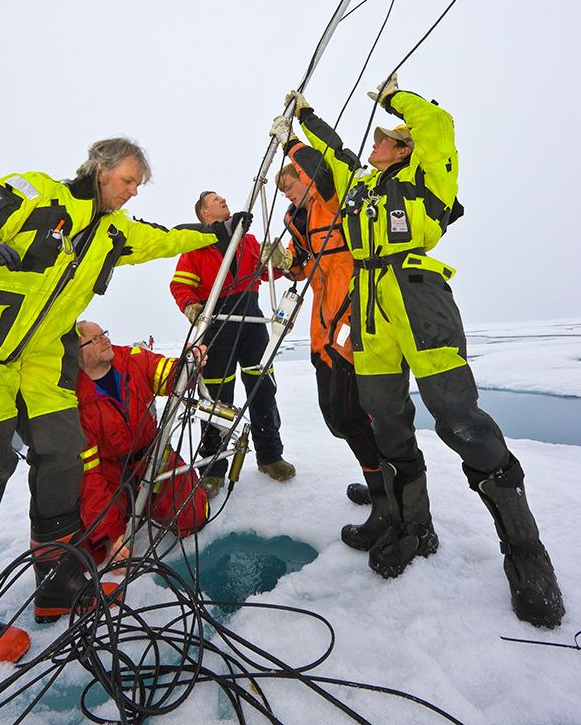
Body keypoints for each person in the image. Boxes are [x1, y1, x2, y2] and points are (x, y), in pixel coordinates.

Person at [0, 137, 245, 666]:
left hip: (45, 357)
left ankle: (58, 583)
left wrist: (216, 232)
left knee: (63, 456)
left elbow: (166, 239)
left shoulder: (116, 231)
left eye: (137, 185)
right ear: (100, 168)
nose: (131, 191)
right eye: (127, 180)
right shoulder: (39, 191)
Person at [282, 78, 564, 629]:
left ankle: (527, 554)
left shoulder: (424, 174)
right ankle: (414, 526)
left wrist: (394, 97)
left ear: (403, 147)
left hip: (415, 291)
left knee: (456, 417)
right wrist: (304, 118)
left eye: (384, 139)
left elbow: (439, 124)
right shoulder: (360, 184)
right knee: (384, 416)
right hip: (366, 301)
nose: (373, 146)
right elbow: (329, 158)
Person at [266, 120, 388, 549]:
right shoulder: (300, 219)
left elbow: (319, 169)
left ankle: (387, 499)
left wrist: (290, 140)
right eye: (283, 190)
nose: (288, 193)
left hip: (349, 317)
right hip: (322, 324)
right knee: (335, 416)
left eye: (291, 185)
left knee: (352, 412)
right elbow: (304, 268)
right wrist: (283, 262)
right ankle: (377, 480)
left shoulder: (332, 200)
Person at [170, 191, 295, 498]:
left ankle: (270, 457)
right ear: (204, 213)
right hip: (218, 322)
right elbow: (181, 284)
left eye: (222, 196)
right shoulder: (196, 245)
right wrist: (191, 307)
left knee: (262, 388)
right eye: (215, 199)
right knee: (216, 398)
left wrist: (278, 260)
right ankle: (212, 471)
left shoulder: (248, 241)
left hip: (252, 317)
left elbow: (272, 273)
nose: (223, 199)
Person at [76, 321, 209, 570]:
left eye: (104, 333)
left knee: (194, 513)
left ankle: (151, 504)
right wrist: (109, 540)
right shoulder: (74, 398)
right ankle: (124, 514)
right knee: (91, 551)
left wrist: (188, 365)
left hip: (152, 455)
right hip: (109, 472)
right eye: (94, 339)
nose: (105, 339)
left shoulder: (132, 360)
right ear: (77, 353)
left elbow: (167, 373)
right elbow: (89, 475)